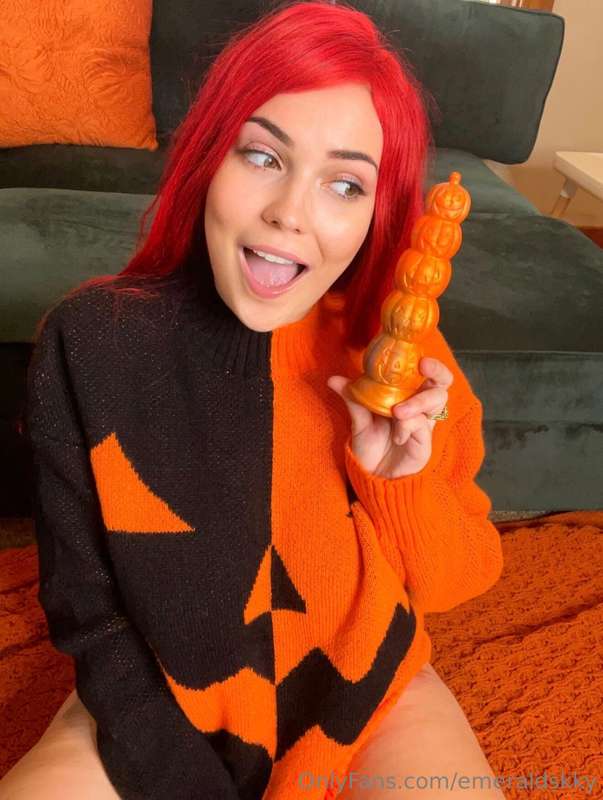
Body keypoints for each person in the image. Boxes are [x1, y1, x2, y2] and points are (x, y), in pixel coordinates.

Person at [0, 1, 506, 798]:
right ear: (209, 156)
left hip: (368, 690)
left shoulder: (407, 360)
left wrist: (397, 480)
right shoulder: (91, 341)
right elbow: (85, 607)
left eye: (344, 183)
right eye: (264, 156)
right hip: (156, 694)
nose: (289, 214)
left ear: (374, 212)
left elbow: (456, 580)